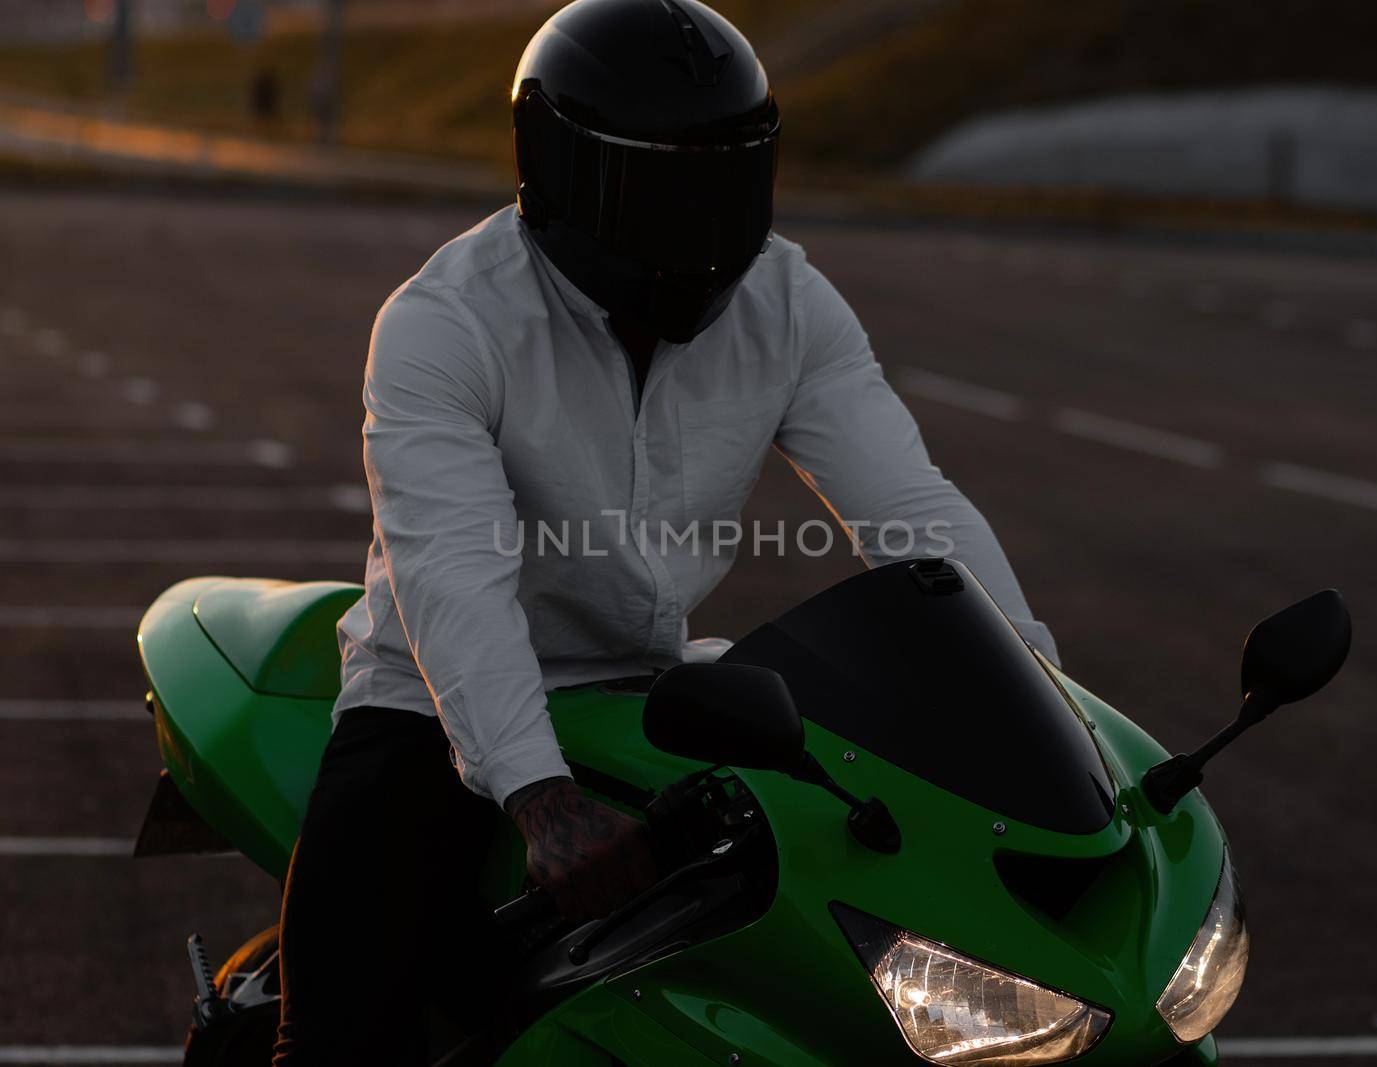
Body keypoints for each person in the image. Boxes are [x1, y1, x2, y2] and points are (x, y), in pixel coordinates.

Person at [271, 0, 1059, 1063]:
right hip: (431, 700)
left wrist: (1044, 697)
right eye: (661, 189)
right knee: (339, 1038)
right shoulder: (443, 323)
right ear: (558, 170)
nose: (699, 230)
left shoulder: (788, 302)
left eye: (724, 186)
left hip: (652, 685)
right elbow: (454, 578)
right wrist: (540, 797)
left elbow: (914, 513)